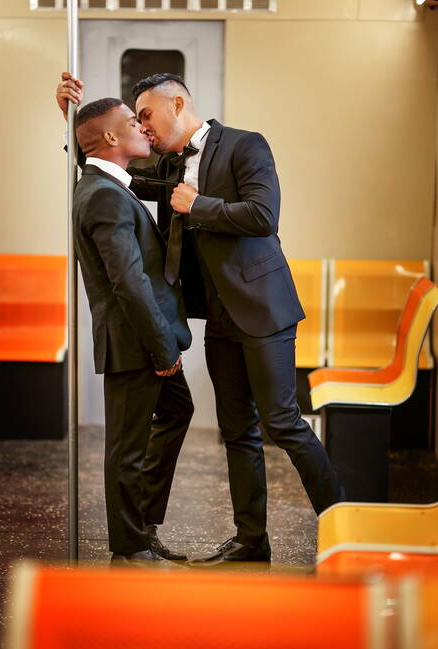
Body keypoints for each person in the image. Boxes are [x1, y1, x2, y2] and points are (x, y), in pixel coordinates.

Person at [58, 73, 343, 566]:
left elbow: (264, 215)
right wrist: (68, 121)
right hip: (218, 319)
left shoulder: (245, 145)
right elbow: (106, 168)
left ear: (177, 103)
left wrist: (199, 206)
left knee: (283, 423)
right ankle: (251, 541)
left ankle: (348, 528)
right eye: (135, 119)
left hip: (264, 309)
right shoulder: (168, 165)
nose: (143, 127)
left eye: (146, 114)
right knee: (238, 432)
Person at [71, 96, 193, 565]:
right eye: (131, 121)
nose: (142, 128)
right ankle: (130, 549)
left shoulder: (108, 185)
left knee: (177, 410)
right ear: (109, 137)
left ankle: (142, 526)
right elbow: (129, 281)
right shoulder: (103, 195)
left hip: (146, 339)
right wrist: (163, 349)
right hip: (135, 342)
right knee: (126, 447)